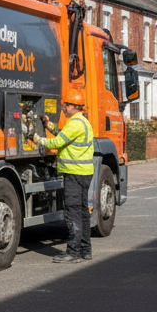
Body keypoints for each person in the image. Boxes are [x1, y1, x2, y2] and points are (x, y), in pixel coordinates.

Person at [37, 87, 96, 264]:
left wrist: (37, 139)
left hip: (74, 173)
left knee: (72, 212)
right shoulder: (82, 122)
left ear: (72, 106)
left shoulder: (75, 123)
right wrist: (49, 125)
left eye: (65, 104)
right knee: (83, 212)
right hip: (83, 173)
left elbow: (57, 142)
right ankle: (85, 249)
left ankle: (73, 251)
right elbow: (64, 135)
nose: (63, 107)